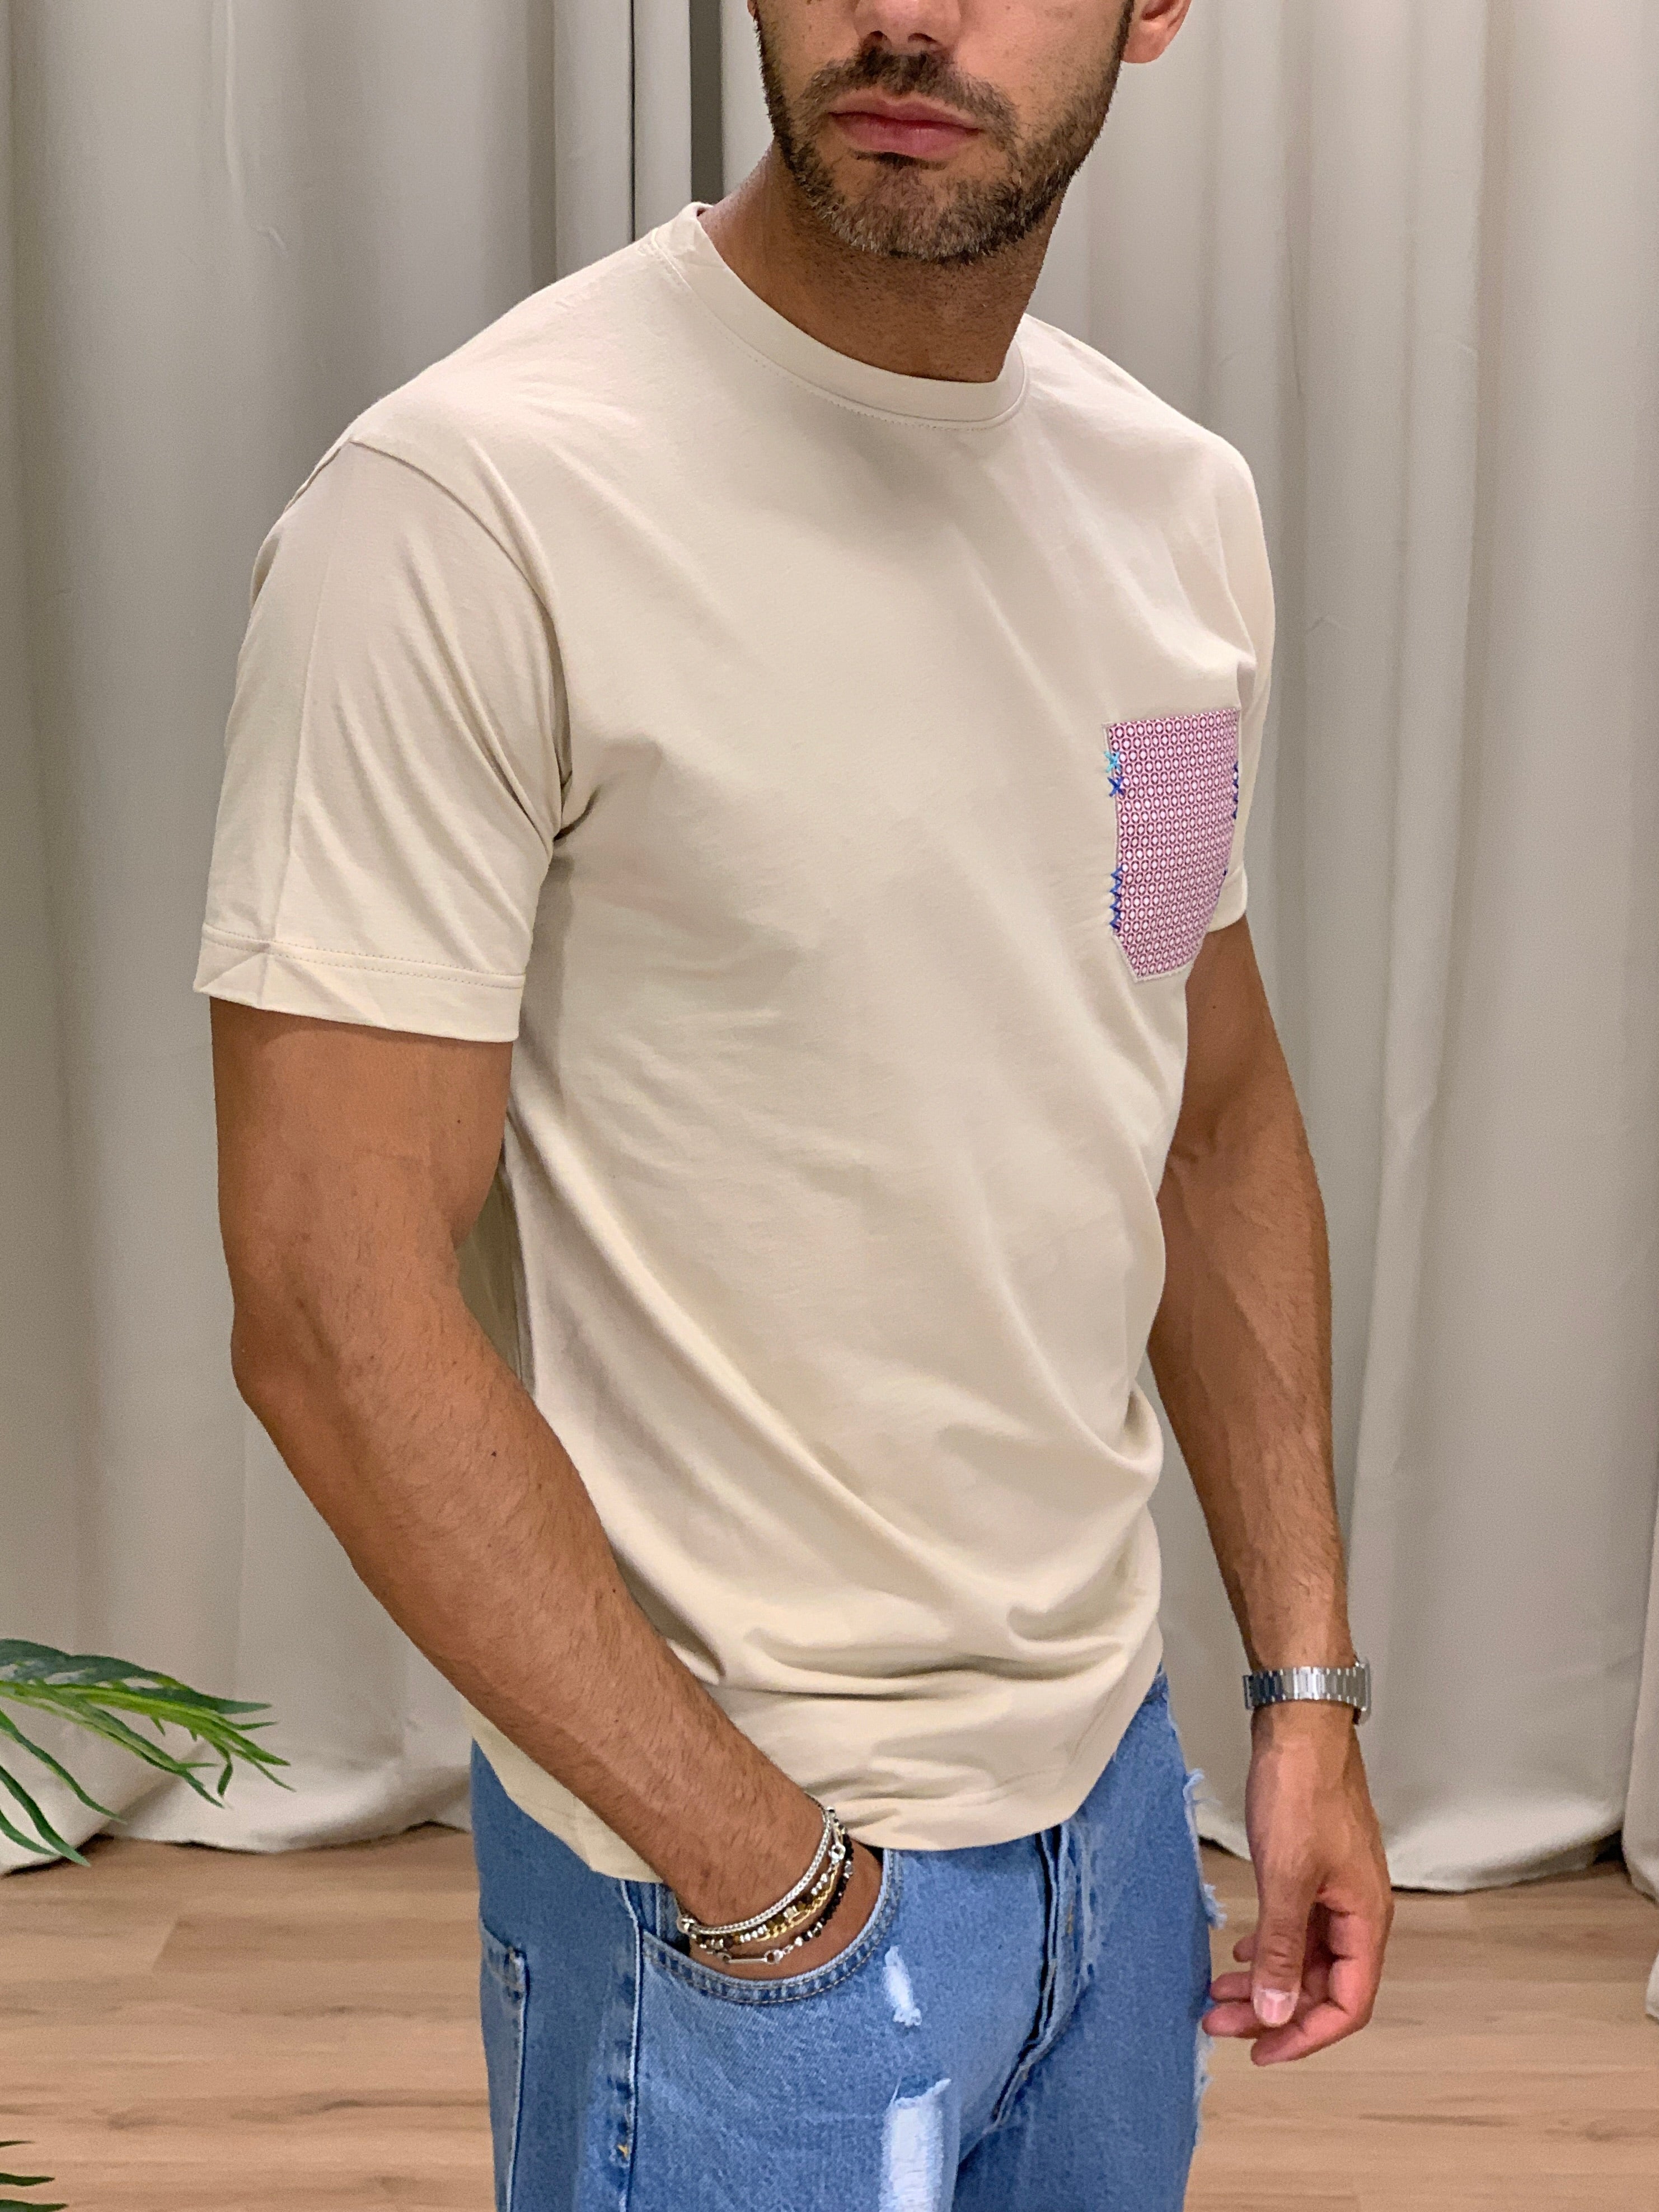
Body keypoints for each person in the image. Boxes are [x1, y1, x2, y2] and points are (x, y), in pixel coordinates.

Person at [197, 0, 1394, 2203]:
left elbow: (1203, 1110)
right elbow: (328, 1303)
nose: (907, 13)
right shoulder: (466, 507)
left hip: (1116, 1815)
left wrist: (1302, 1686)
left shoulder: (1174, 514)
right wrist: (763, 1878)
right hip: (731, 1884)